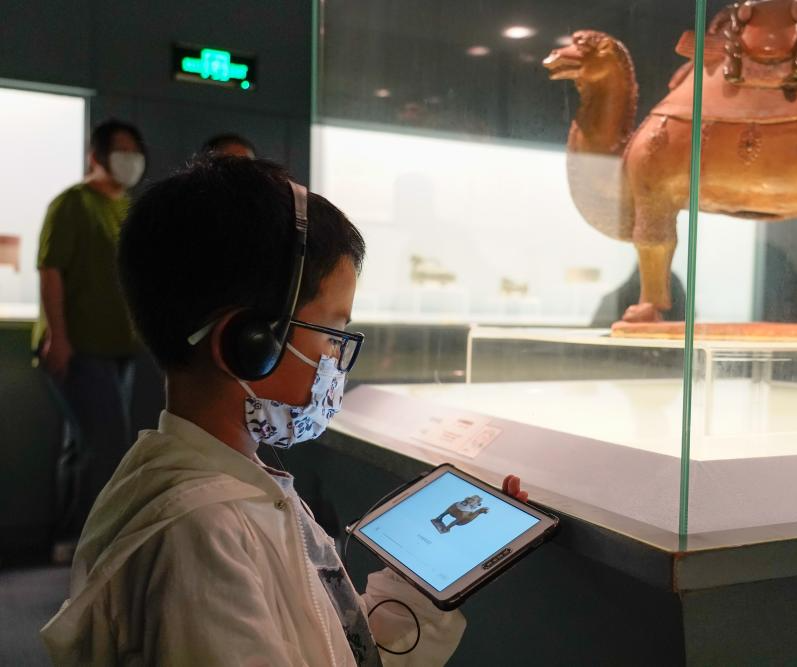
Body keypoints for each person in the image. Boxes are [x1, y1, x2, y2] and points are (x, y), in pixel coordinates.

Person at [40, 156, 528, 666]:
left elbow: (332, 647)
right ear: (249, 343)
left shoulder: (233, 487)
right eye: (332, 332)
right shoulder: (200, 534)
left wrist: (430, 576)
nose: (336, 360)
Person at [34, 118, 147, 561]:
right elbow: (51, 270)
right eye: (120, 149)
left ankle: (70, 537)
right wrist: (58, 337)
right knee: (104, 445)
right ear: (96, 155)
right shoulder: (72, 204)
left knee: (80, 445)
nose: (130, 158)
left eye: (135, 149)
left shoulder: (126, 208)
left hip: (119, 349)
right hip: (80, 348)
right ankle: (87, 541)